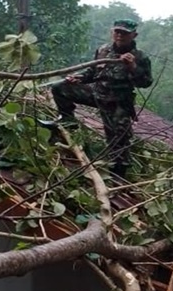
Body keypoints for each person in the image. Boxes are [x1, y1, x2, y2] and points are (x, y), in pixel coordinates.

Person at [48, 19, 153, 178]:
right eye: (117, 32)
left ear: (134, 35)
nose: (119, 35)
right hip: (96, 93)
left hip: (117, 102)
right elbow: (92, 73)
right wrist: (79, 78)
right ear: (112, 32)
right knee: (59, 87)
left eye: (124, 33)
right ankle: (67, 120)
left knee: (118, 144)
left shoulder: (140, 57)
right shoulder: (103, 50)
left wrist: (132, 67)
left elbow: (145, 83)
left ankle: (118, 180)